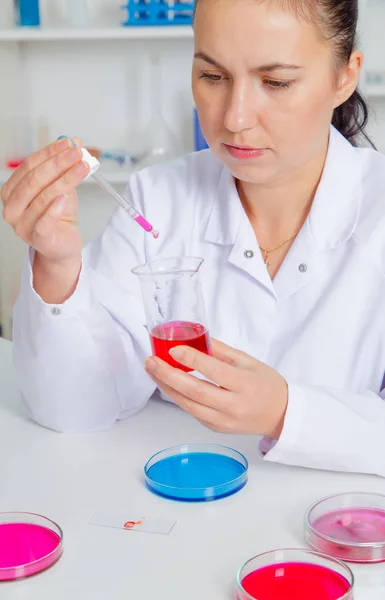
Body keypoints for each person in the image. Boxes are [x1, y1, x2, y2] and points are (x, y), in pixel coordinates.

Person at [2, 0, 385, 478]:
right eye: (213, 77)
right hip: (177, 508)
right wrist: (57, 266)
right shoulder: (157, 198)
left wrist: (289, 411)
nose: (235, 118)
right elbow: (76, 409)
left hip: (336, 524)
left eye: (276, 82)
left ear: (345, 77)